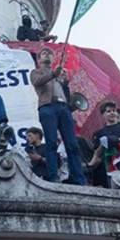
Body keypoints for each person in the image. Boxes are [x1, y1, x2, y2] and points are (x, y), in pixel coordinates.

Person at [30, 47, 87, 185]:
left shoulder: (59, 75)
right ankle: (53, 176)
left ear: (54, 58)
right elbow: (37, 82)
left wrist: (65, 83)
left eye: (50, 53)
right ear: (40, 59)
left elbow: (67, 97)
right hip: (47, 107)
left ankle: (79, 178)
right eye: (44, 53)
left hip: (64, 108)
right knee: (51, 143)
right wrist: (53, 74)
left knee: (72, 145)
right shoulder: (36, 72)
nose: (47, 54)